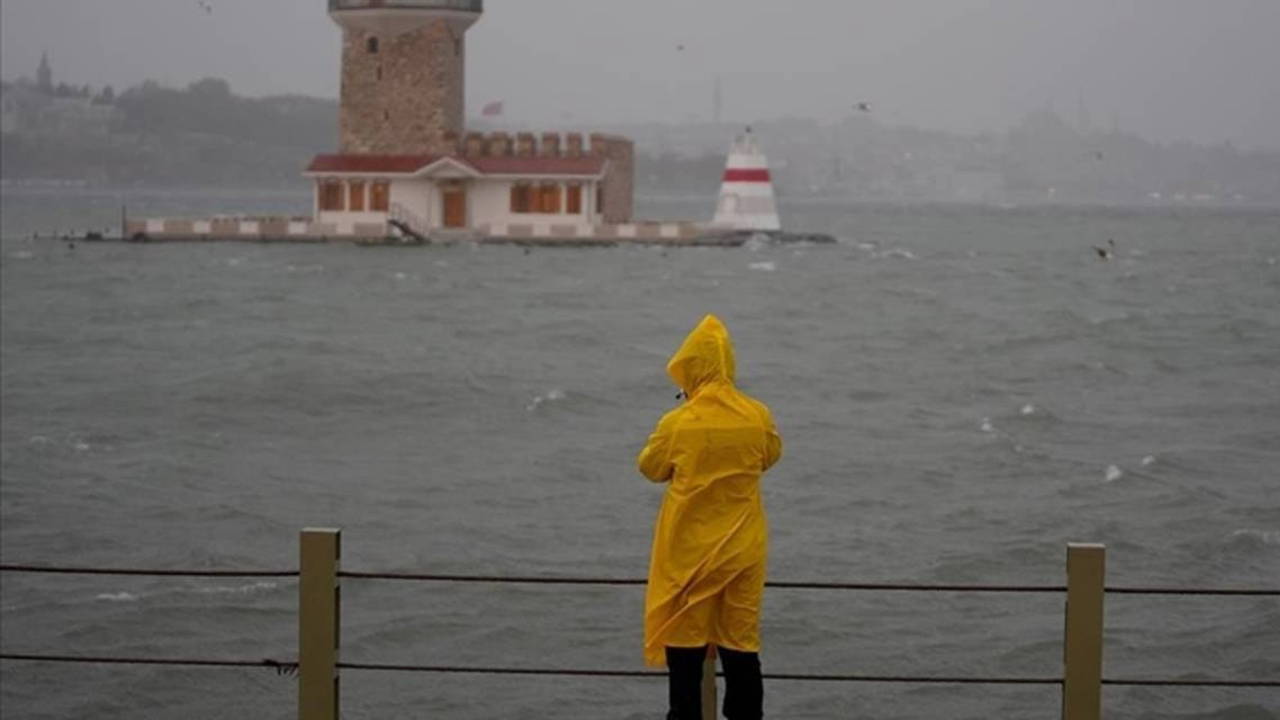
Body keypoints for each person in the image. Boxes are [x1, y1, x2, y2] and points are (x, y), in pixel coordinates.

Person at [637, 314, 783, 720]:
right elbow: (770, 456)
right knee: (741, 647)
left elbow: (650, 468)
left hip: (688, 554)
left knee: (685, 649)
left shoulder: (678, 423)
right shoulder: (757, 416)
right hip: (742, 549)